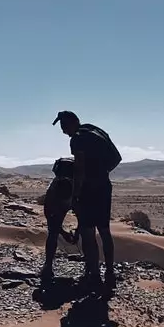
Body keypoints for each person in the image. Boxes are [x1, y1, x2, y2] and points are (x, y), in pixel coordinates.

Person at [55, 110, 121, 291]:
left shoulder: (77, 139)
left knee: (88, 232)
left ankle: (93, 275)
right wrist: (102, 172)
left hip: (88, 190)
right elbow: (117, 158)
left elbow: (79, 169)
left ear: (74, 122)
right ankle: (109, 273)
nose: (63, 131)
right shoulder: (97, 132)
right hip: (104, 186)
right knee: (105, 231)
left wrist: (76, 194)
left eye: (64, 126)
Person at [39, 158, 79, 282]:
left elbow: (50, 220)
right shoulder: (76, 187)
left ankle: (48, 266)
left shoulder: (54, 189)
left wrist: (65, 232)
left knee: (52, 234)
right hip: (70, 196)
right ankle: (91, 270)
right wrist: (70, 233)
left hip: (62, 198)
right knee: (54, 233)